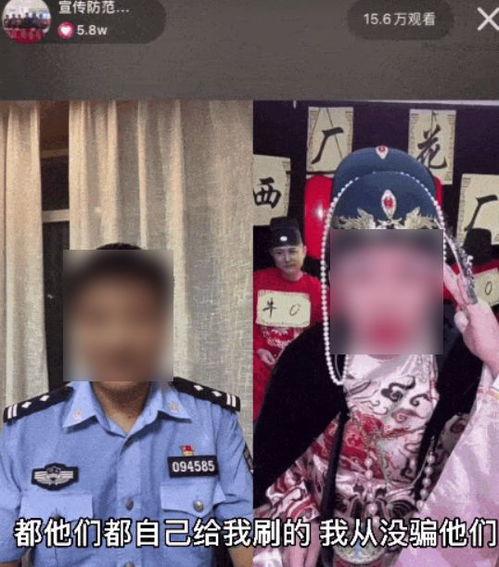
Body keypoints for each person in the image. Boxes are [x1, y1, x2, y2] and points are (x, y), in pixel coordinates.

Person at [253, 147, 499, 566]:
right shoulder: (308, 360)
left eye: (409, 274)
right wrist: (292, 510)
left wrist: (496, 360)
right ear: (332, 280)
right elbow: (270, 473)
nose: (386, 301)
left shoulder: (464, 360)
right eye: (362, 274)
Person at [0, 243, 253, 567]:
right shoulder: (26, 433)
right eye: (98, 319)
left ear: (163, 328)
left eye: (138, 318)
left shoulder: (213, 422)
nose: (118, 340)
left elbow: (250, 545)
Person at [253, 217, 322, 421]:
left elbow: (323, 334)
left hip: (297, 362)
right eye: (279, 253)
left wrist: (296, 354)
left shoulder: (317, 290)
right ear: (272, 255)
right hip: (260, 359)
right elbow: (243, 322)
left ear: (304, 251)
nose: (287, 258)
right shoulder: (257, 280)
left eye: (292, 251)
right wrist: (259, 347)